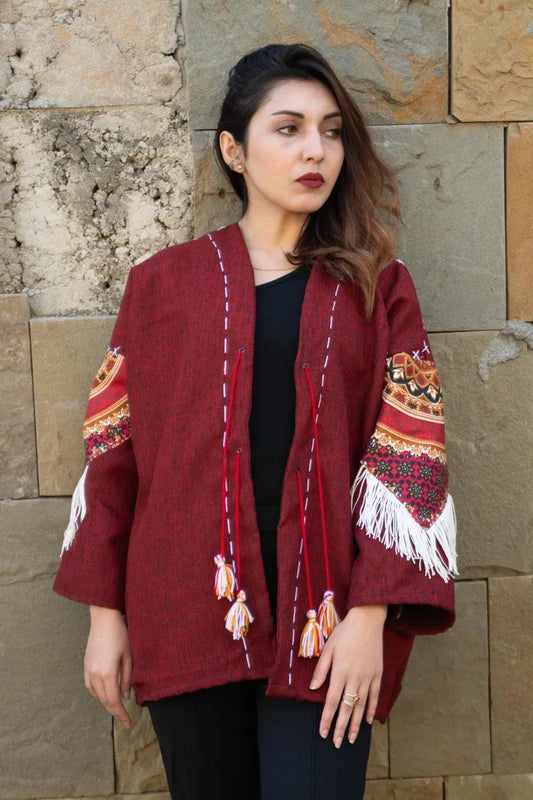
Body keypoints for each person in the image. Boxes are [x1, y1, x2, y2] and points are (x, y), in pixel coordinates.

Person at [53, 43, 457, 800]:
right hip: (183, 608)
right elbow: (113, 453)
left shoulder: (376, 285)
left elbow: (409, 453)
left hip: (329, 620)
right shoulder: (162, 286)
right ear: (234, 151)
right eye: (289, 128)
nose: (316, 151)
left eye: (331, 131)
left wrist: (370, 617)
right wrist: (106, 620)